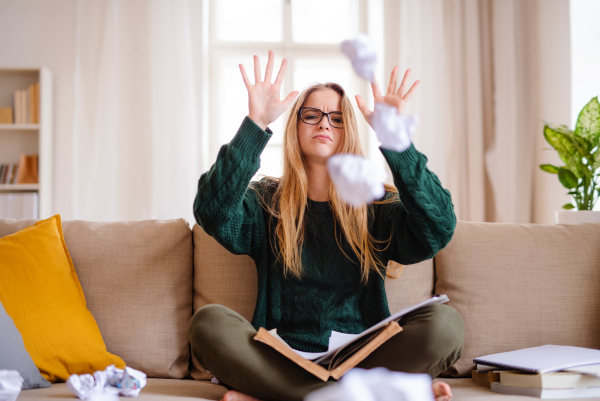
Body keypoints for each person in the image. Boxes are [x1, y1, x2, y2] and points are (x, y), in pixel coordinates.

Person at [190, 50, 464, 401]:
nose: (324, 124)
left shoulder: (375, 202)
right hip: (281, 358)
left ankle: (286, 397)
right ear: (295, 125)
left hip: (364, 360)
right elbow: (211, 210)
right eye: (312, 115)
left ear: (349, 130)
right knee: (208, 323)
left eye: (336, 118)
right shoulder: (265, 201)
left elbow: (439, 227)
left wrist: (397, 141)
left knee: (446, 324)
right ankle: (356, 396)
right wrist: (255, 124)